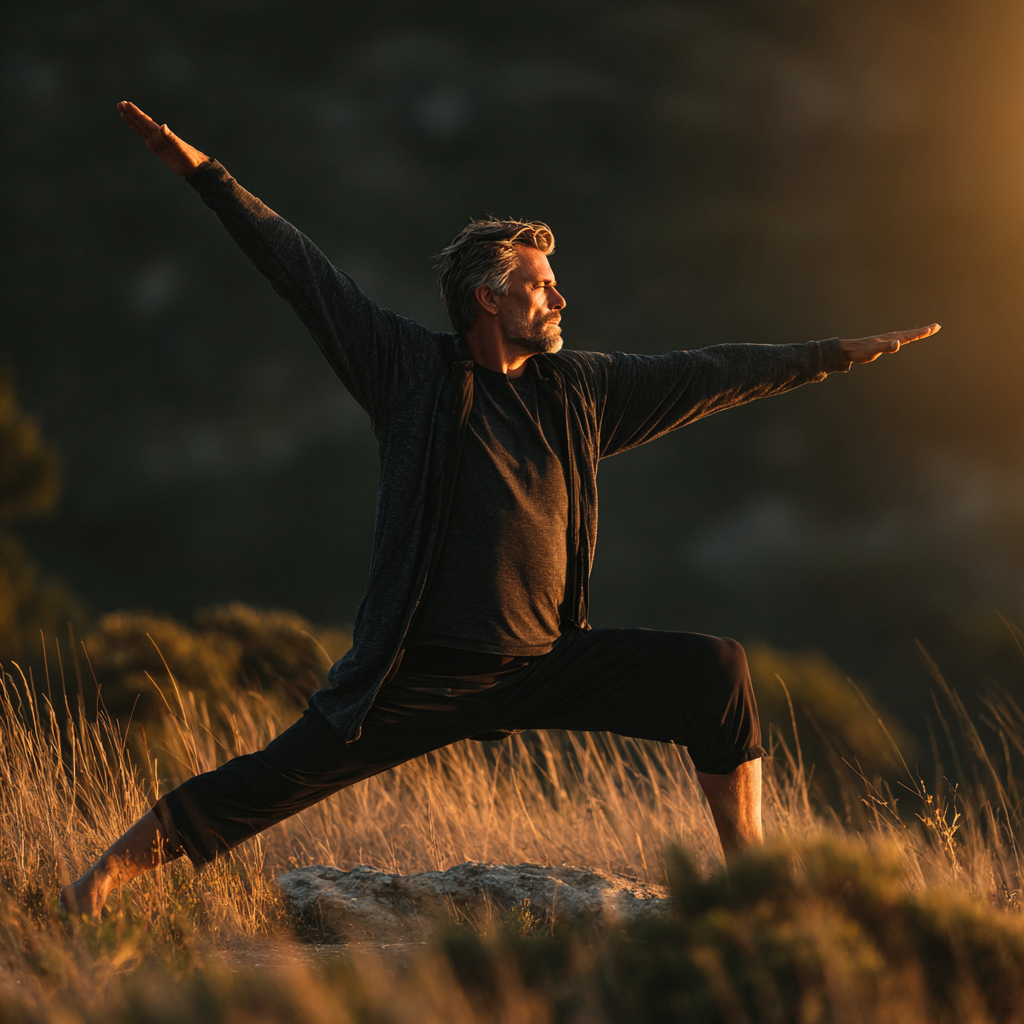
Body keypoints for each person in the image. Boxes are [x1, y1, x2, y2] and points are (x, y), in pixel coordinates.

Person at [61, 101, 940, 919]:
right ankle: (95, 883)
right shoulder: (409, 373)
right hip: (420, 672)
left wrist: (833, 353)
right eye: (541, 284)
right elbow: (302, 269)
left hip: (545, 659)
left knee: (715, 673)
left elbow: (709, 370)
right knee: (265, 781)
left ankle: (749, 886)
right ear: (490, 297)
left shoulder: (581, 391)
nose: (559, 299)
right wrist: (203, 172)